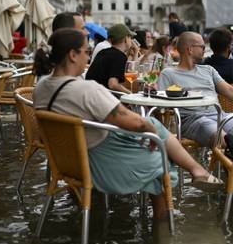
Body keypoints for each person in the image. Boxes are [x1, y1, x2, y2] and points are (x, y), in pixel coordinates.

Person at [33, 28, 222, 221]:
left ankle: (196, 171)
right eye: (86, 52)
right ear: (73, 55)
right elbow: (135, 123)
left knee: (151, 125)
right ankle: (163, 231)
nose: (88, 56)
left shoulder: (41, 87)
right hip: (99, 166)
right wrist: (151, 132)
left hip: (67, 162)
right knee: (161, 157)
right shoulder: (85, 90)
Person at [158, 31, 233, 197]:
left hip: (220, 116)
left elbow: (229, 89)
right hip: (193, 120)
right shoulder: (168, 74)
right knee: (226, 141)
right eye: (202, 46)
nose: (205, 50)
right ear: (189, 49)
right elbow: (161, 104)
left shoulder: (208, 70)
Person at [86, 24, 139, 93]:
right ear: (126, 39)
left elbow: (130, 71)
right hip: (99, 98)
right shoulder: (119, 56)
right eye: (130, 37)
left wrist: (135, 54)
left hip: (89, 93)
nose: (131, 40)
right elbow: (113, 84)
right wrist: (130, 94)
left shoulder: (104, 52)